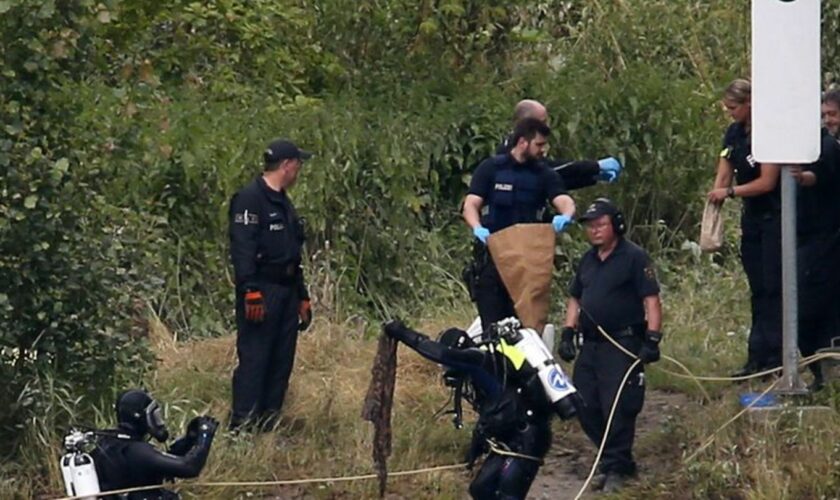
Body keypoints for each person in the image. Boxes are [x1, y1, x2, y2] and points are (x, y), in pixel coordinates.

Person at [383, 319, 577, 500]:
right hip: (509, 438)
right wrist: (476, 445)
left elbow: (441, 354)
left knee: (507, 493)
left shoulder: (478, 360)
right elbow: (493, 411)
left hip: (529, 438)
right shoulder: (486, 369)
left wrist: (402, 333)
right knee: (480, 489)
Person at [558, 198, 662, 493]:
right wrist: (568, 331)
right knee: (583, 402)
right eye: (590, 226)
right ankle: (612, 459)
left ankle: (617, 466)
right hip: (590, 343)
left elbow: (651, 299)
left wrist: (653, 338)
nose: (595, 231)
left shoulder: (634, 257)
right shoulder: (588, 260)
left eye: (600, 224)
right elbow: (575, 297)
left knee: (619, 404)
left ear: (615, 225)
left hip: (623, 341)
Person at [228, 139, 313, 431]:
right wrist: (249, 289)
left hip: (287, 289)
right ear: (287, 165)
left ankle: (269, 424)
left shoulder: (283, 201)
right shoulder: (250, 199)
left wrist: (302, 295)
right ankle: (243, 426)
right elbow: (242, 248)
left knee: (280, 360)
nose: (299, 170)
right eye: (298, 164)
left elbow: (292, 251)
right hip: (261, 290)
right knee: (255, 358)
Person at [463, 117, 575, 333]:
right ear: (523, 142)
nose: (543, 150)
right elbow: (470, 204)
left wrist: (566, 216)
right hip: (494, 256)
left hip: (527, 263)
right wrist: (477, 228)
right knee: (493, 328)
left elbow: (565, 201)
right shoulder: (492, 168)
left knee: (526, 328)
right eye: (539, 144)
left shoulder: (543, 174)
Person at [707, 79, 782, 377]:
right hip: (751, 219)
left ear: (750, 103)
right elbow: (725, 168)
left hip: (773, 217)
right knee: (757, 289)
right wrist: (716, 198)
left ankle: (777, 355)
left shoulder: (767, 135)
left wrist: (732, 193)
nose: (730, 113)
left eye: (734, 107)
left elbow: (767, 182)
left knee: (773, 287)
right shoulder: (734, 134)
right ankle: (756, 356)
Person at [91, 389, 218, 499]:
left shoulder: (110, 444)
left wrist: (189, 440)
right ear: (140, 417)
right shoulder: (136, 451)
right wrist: (205, 436)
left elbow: (157, 465)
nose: (159, 422)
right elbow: (189, 467)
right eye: (154, 415)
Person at [788, 125, 840, 389]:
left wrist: (801, 176)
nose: (827, 120)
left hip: (823, 238)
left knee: (811, 308)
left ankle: (825, 371)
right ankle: (822, 372)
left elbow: (818, 176)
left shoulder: (827, 145)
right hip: (807, 236)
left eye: (832, 114)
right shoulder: (807, 141)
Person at [497, 99, 623, 189]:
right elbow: (550, 169)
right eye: (542, 122)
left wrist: (593, 178)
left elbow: (553, 180)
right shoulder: (510, 150)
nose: (546, 126)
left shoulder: (530, 149)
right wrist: (595, 166)